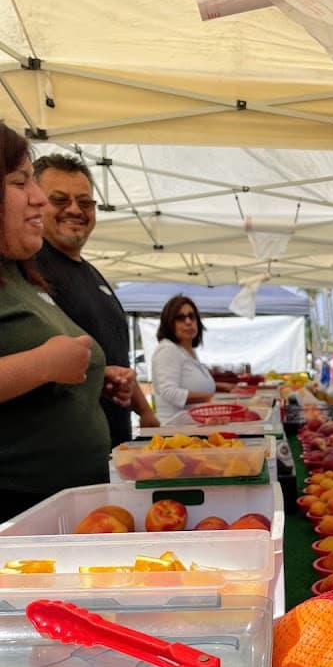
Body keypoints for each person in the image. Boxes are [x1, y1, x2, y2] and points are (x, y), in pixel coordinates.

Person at [0, 123, 134, 522]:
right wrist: (43, 364)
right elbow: (40, 360)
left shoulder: (19, 273)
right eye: (20, 182)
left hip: (61, 505)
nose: (38, 198)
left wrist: (94, 374)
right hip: (17, 509)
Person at [33, 152, 159, 445]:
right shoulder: (30, 268)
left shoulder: (93, 275)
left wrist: (145, 412)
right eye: (60, 200)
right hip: (63, 449)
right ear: (35, 202)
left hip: (113, 446)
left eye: (85, 202)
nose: (75, 209)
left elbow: (115, 360)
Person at [150, 295, 236, 422]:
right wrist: (211, 397)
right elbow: (168, 392)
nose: (188, 322)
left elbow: (188, 382)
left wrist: (219, 386)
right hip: (175, 429)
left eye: (192, 316)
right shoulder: (167, 350)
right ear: (169, 323)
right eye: (180, 318)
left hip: (194, 427)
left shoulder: (186, 352)